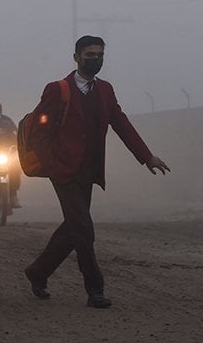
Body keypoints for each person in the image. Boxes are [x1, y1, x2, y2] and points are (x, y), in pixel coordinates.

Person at [23, 36, 170, 309]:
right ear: (76, 57)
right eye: (90, 54)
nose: (96, 59)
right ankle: (95, 290)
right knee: (83, 228)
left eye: (100, 54)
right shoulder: (58, 90)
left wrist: (146, 156)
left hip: (88, 170)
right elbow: (40, 133)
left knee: (74, 228)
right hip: (63, 171)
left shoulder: (105, 90)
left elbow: (121, 123)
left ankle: (38, 271)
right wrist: (53, 165)